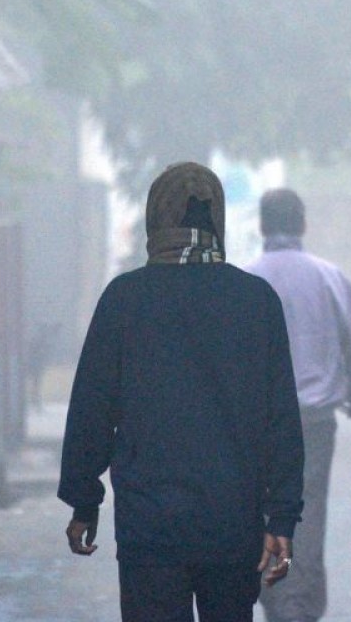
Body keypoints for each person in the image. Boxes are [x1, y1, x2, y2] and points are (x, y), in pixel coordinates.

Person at [58, 162, 304, 622]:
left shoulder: (124, 300)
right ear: (218, 220)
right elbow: (281, 421)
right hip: (233, 529)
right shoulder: (255, 301)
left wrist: (83, 501)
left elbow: (91, 410)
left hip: (150, 532)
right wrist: (282, 518)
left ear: (156, 219)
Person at [243, 188, 351, 622]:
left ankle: (275, 596)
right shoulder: (328, 277)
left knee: (263, 510)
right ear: (302, 225)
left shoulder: (245, 279)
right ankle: (298, 606)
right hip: (313, 423)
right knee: (307, 512)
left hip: (258, 425)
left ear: (262, 226)